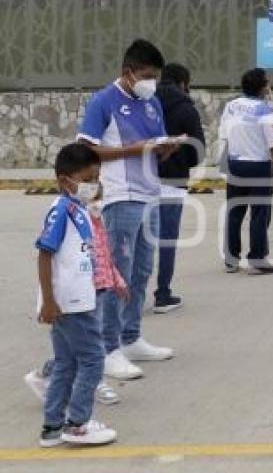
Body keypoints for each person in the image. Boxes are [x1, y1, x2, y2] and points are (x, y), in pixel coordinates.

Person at [78, 39, 176, 381]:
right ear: (128, 72)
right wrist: (135, 149)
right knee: (117, 274)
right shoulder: (103, 102)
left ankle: (131, 336)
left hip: (150, 193)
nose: (152, 82)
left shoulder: (153, 103)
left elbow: (155, 142)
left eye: (156, 77)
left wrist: (165, 148)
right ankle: (107, 348)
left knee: (141, 271)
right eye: (147, 76)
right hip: (120, 196)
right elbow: (86, 151)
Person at [34, 143, 117, 447]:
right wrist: (49, 301)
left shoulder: (78, 208)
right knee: (93, 359)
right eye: (86, 179)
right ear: (64, 179)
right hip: (70, 303)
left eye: (96, 178)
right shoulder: (61, 211)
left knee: (66, 363)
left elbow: (97, 208)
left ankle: (52, 426)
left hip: (79, 298)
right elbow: (44, 254)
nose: (92, 185)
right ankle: (78, 423)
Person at [219, 68, 273, 275]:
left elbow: (224, 136)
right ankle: (257, 258)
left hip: (236, 163)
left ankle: (231, 259)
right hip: (258, 166)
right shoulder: (264, 110)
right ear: (262, 87)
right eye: (267, 83)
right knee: (259, 213)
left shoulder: (230, 106)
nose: (269, 87)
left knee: (235, 212)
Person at [154, 63, 205, 314]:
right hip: (173, 182)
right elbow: (198, 152)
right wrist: (182, 160)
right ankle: (163, 294)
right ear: (184, 82)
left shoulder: (144, 103)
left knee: (135, 242)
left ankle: (126, 294)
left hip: (142, 182)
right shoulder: (186, 108)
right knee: (166, 240)